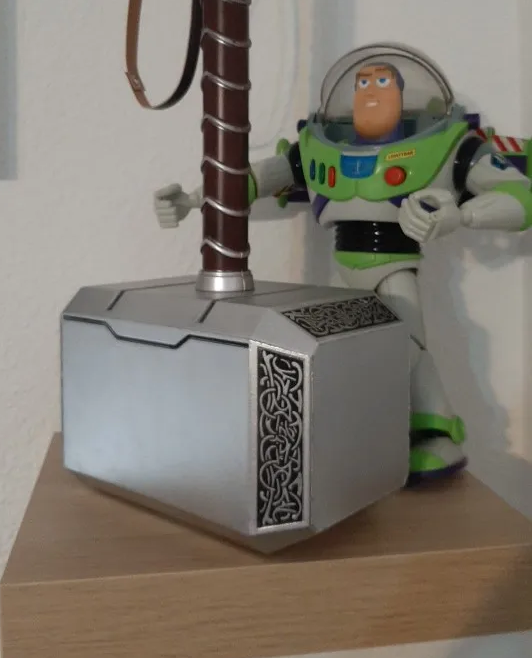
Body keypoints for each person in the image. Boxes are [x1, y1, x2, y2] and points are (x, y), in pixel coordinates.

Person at [153, 50, 532, 481]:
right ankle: (359, 434)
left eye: (383, 83)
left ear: (402, 95)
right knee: (352, 347)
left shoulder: (452, 145)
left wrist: (461, 215)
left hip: (395, 264)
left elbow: (520, 196)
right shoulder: (318, 147)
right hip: (343, 271)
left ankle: (433, 433)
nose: (370, 91)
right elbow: (254, 179)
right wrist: (193, 199)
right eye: (363, 83)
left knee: (404, 342)